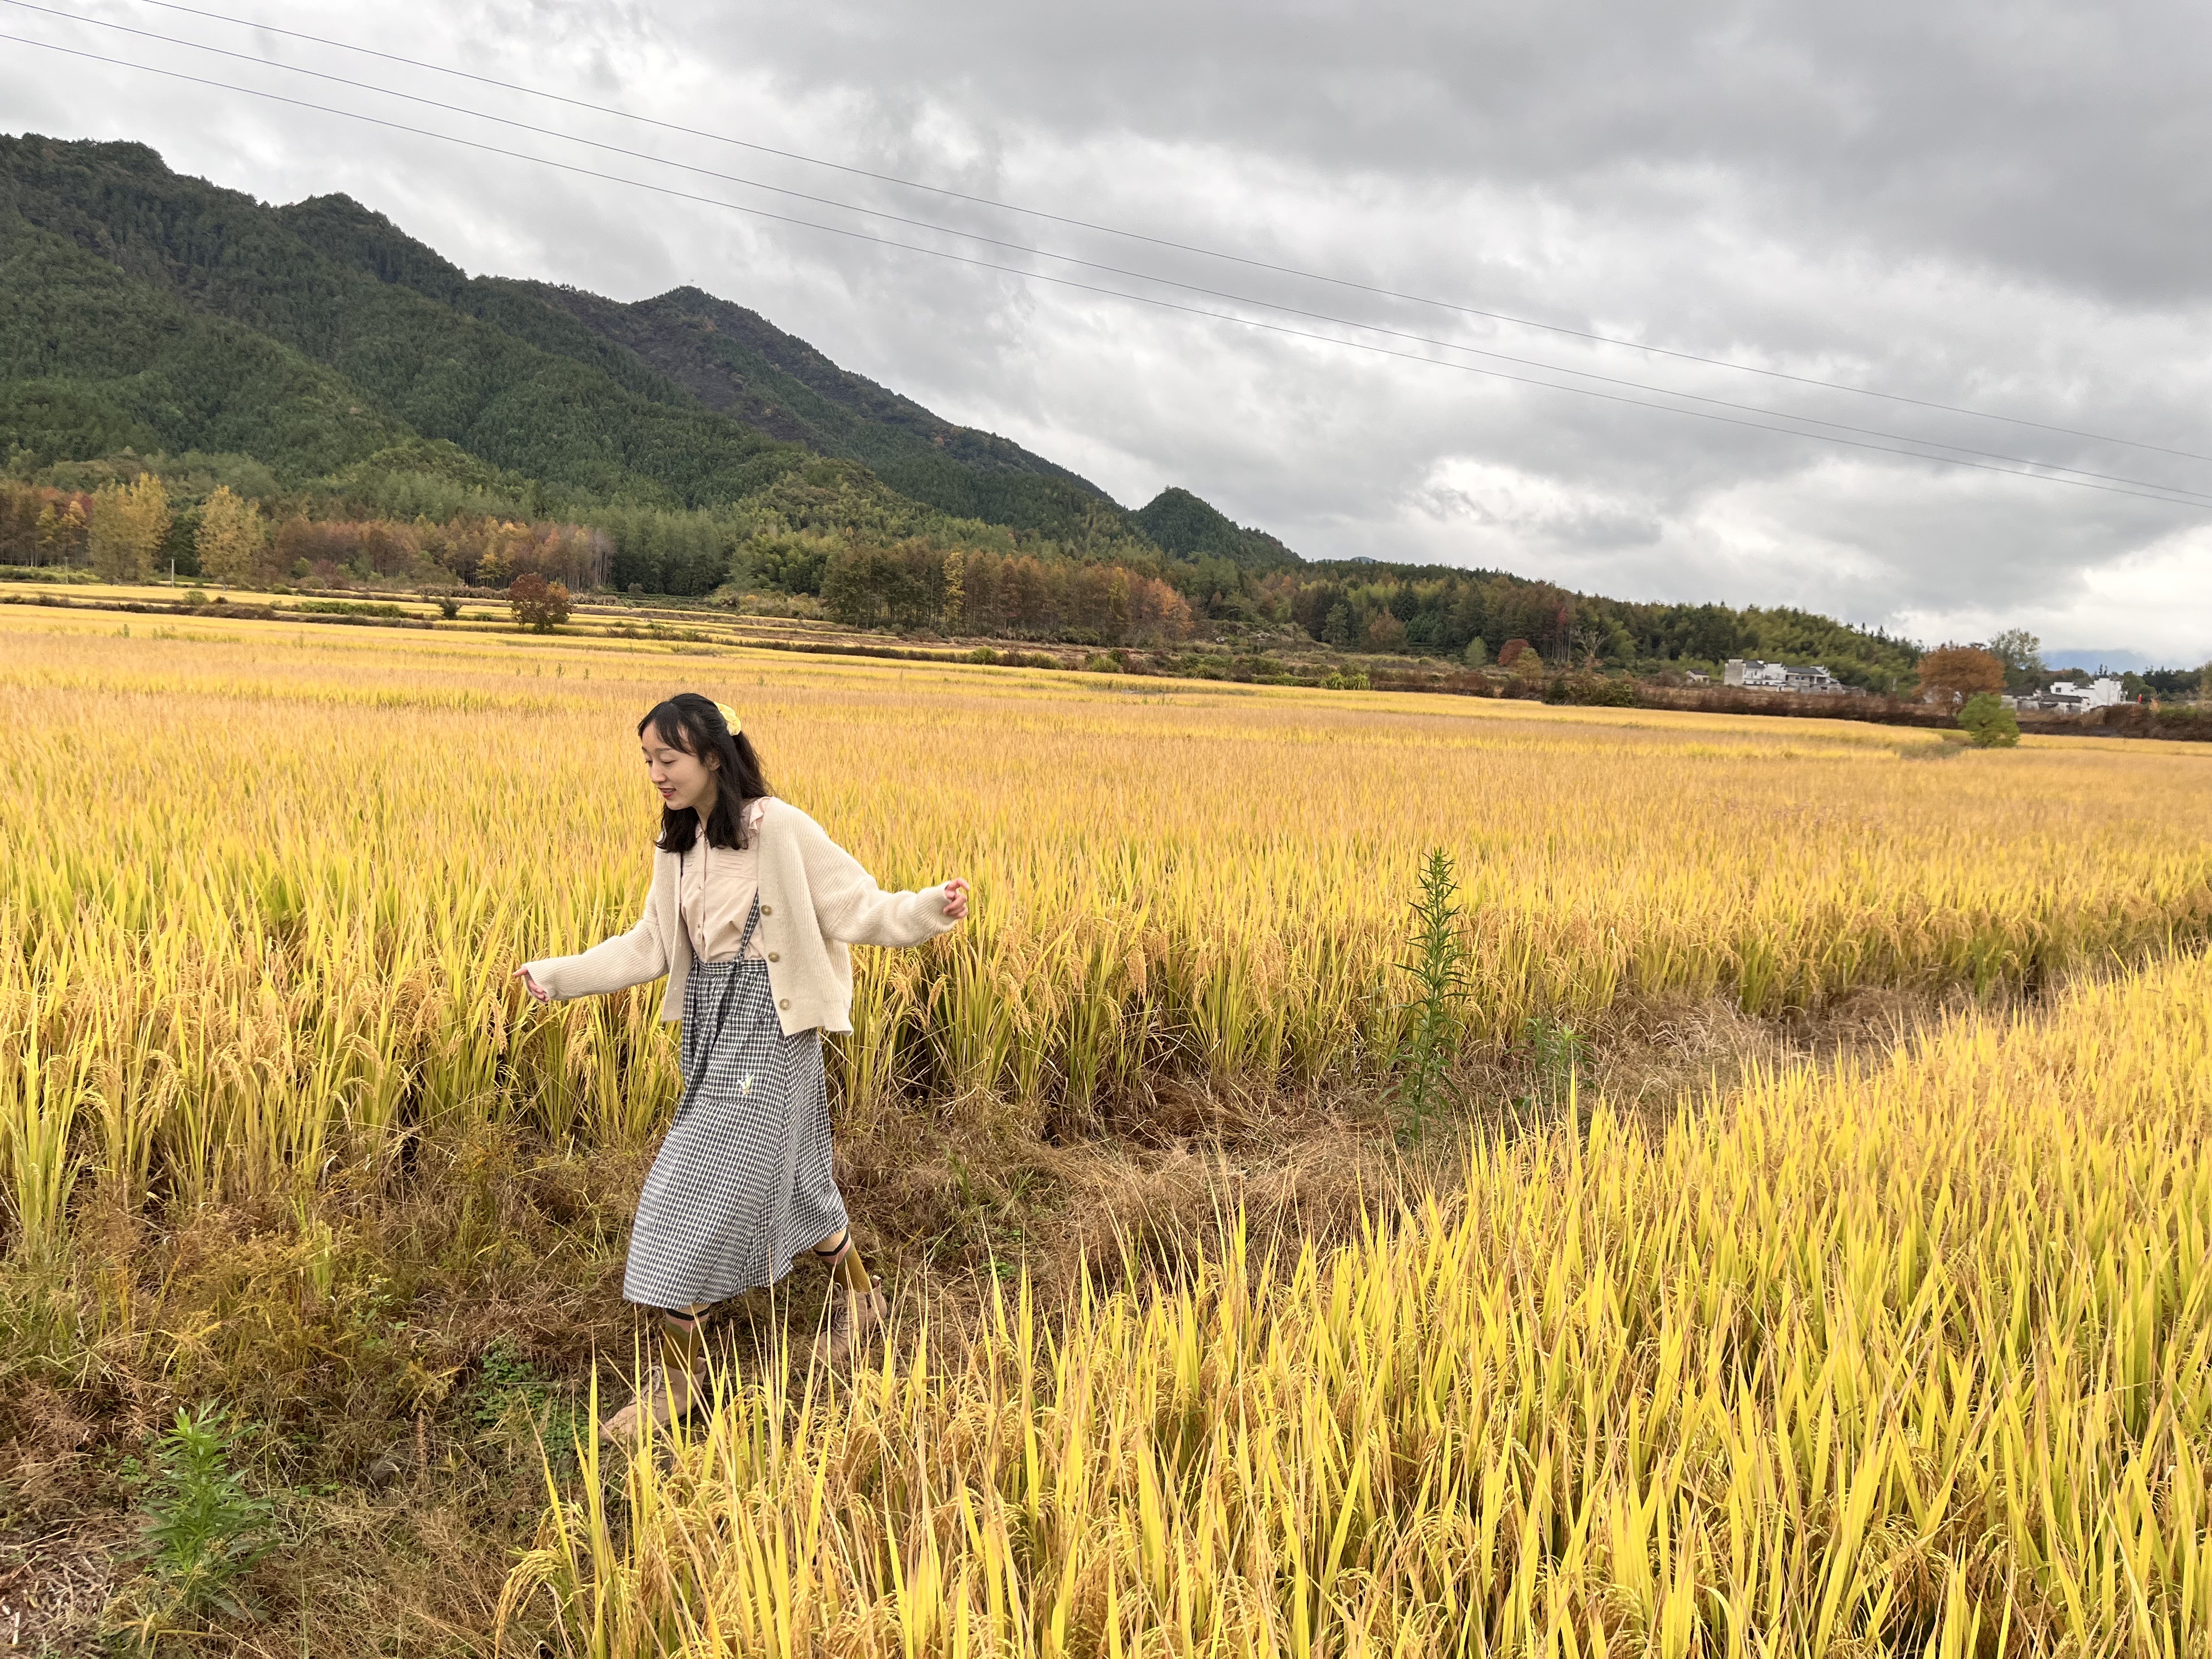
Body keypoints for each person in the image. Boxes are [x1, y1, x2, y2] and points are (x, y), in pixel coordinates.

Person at [514, 692, 969, 1436]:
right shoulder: (679, 846)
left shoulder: (776, 828)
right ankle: (862, 1300)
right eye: (648, 760)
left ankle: (678, 1378)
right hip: (713, 1032)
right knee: (798, 1178)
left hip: (771, 1033)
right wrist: (557, 977)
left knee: (675, 1200)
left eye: (669, 758)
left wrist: (926, 910)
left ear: (713, 757)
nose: (656, 773)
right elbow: (650, 947)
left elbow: (855, 905)